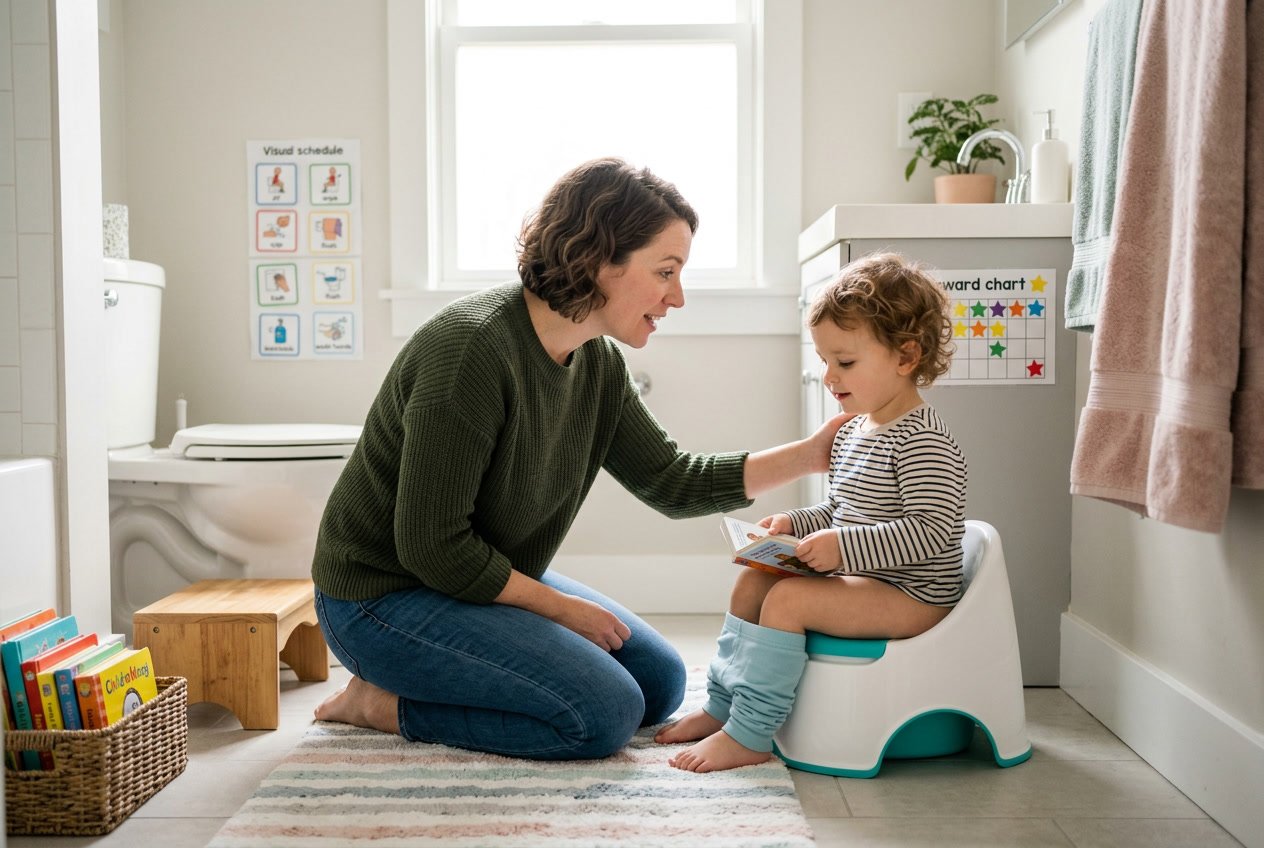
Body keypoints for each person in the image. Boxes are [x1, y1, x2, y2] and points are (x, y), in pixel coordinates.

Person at [310, 157, 847, 761]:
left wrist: (812, 454)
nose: (677, 297)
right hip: (381, 600)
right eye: (665, 271)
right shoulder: (469, 352)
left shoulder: (598, 362)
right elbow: (432, 547)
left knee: (659, 684)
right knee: (603, 716)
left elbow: (671, 481)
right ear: (599, 260)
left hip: (473, 578)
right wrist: (563, 610)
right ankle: (378, 704)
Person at [657, 252, 968, 772]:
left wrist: (842, 547)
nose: (828, 376)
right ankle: (722, 705)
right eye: (824, 360)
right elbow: (840, 508)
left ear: (906, 356)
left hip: (914, 595)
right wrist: (794, 524)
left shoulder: (923, 441)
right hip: (869, 581)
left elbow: (931, 532)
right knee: (753, 582)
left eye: (845, 362)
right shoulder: (853, 431)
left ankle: (751, 734)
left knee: (790, 601)